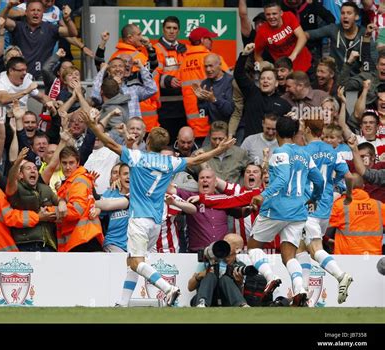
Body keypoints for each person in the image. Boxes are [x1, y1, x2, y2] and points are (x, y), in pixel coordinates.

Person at [81, 109, 237, 306]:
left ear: (147, 142)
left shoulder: (136, 157)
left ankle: (168, 288)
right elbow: (197, 160)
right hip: (156, 222)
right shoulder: (171, 161)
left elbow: (111, 143)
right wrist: (220, 149)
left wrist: (93, 126)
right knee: (133, 263)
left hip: (139, 218)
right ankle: (122, 303)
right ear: (165, 145)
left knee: (137, 263)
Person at [247, 116, 324, 307]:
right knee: (289, 256)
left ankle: (271, 277)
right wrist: (314, 197)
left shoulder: (280, 152)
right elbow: (320, 181)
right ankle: (300, 289)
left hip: (276, 208)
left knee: (253, 247)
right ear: (296, 132)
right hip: (298, 211)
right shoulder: (305, 154)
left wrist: (263, 195)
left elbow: (282, 179)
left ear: (277, 133)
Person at [297, 117, 353, 304]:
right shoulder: (333, 151)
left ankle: (341, 275)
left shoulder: (304, 152)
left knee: (315, 248)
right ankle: (303, 292)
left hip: (309, 204)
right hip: (325, 206)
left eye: (303, 127)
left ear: (307, 130)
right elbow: (348, 176)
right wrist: (349, 194)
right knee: (301, 247)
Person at [329, 173, 385, 255]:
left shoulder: (339, 205)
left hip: (346, 258)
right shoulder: (379, 206)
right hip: (373, 258)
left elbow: (320, 224)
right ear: (363, 186)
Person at [188, 233, 250, 308]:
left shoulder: (240, 266)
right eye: (223, 242)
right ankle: (202, 303)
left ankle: (242, 305)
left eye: (227, 244)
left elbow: (241, 292)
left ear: (237, 250)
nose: (223, 245)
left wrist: (239, 282)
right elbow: (190, 287)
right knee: (210, 275)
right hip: (206, 298)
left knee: (225, 279)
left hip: (226, 301)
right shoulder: (209, 260)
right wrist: (200, 276)